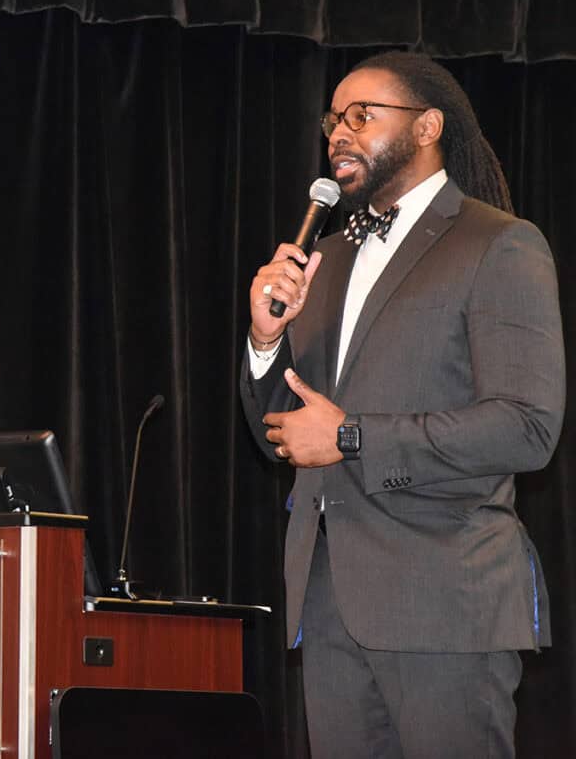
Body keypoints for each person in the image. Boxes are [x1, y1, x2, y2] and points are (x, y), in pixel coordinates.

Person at [239, 51, 565, 759]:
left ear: (428, 127)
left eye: (363, 115)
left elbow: (527, 427)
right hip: (328, 606)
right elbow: (285, 435)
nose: (339, 134)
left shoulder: (499, 243)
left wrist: (352, 437)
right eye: (333, 121)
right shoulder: (325, 261)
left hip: (445, 600)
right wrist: (266, 343)